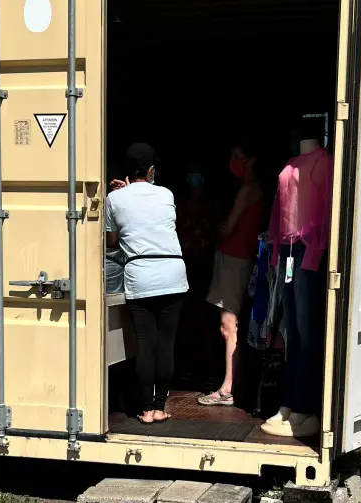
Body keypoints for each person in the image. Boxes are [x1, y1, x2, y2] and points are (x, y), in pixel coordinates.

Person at [106, 143, 188, 424]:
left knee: (145, 343)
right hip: (172, 273)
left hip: (140, 275)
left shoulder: (114, 199)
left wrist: (119, 195)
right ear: (151, 169)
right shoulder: (166, 194)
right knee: (166, 343)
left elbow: (111, 241)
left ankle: (145, 409)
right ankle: (160, 406)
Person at [198, 143, 263, 407]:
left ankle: (227, 388)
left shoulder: (248, 190)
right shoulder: (256, 190)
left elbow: (227, 227)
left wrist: (214, 225)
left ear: (251, 160)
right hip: (240, 259)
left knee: (228, 325)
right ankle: (231, 384)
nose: (233, 162)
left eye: (238, 157)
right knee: (232, 323)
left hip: (233, 260)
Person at [175, 163, 220, 387]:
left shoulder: (211, 206)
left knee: (205, 320)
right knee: (184, 320)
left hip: (204, 267)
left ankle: (209, 369)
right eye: (192, 177)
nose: (195, 182)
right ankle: (185, 368)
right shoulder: (180, 206)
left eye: (199, 177)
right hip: (183, 267)